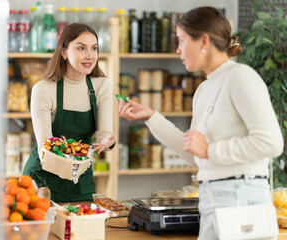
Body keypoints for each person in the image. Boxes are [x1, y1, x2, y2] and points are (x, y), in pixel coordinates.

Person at [118, 6, 283, 240]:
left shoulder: (241, 77)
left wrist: (210, 150)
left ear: (203, 40)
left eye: (182, 40)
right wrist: (151, 117)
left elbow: (272, 143)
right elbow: (196, 156)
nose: (178, 49)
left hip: (242, 200)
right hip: (211, 200)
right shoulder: (204, 89)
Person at [23, 23, 116, 203]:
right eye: (81, 48)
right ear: (64, 52)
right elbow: (45, 146)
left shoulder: (102, 85)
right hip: (44, 179)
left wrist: (109, 141)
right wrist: (68, 166)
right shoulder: (43, 90)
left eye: (94, 48)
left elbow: (105, 133)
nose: (90, 55)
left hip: (81, 178)